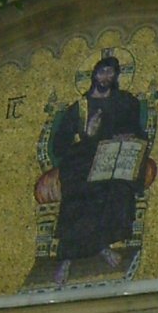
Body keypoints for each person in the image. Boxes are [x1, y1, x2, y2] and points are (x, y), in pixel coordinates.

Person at [47, 53, 147, 279]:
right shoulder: (79, 109)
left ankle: (102, 245)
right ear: (93, 75)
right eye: (102, 71)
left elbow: (139, 132)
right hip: (80, 161)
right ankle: (67, 257)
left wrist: (129, 136)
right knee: (81, 191)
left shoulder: (125, 102)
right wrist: (85, 134)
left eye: (110, 72)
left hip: (112, 159)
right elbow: (59, 146)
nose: (106, 76)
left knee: (118, 189)